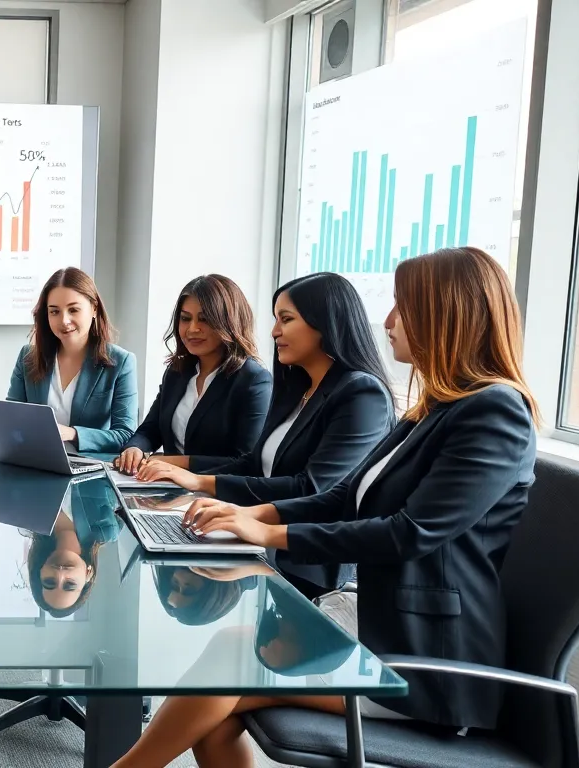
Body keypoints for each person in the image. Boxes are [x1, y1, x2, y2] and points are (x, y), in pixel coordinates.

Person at [110, 247, 539, 768]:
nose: (388, 322)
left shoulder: (496, 410)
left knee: (228, 663)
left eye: (403, 307)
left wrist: (268, 535)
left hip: (427, 664)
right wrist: (254, 516)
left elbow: (408, 533)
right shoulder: (432, 409)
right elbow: (342, 496)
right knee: (221, 694)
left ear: (445, 314)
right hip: (382, 621)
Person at [134, 273, 395, 598]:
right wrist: (192, 491)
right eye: (275, 319)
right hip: (258, 546)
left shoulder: (360, 393)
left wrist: (200, 482)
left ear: (325, 322)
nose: (274, 332)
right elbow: (253, 464)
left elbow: (312, 488)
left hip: (307, 568)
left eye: (286, 319)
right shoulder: (297, 388)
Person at [115, 275, 270, 473]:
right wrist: (135, 449)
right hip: (165, 488)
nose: (192, 329)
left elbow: (245, 462)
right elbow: (150, 429)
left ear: (229, 323)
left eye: (204, 319)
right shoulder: (177, 372)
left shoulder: (254, 380)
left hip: (217, 496)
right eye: (185, 318)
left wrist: (171, 464)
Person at [7, 267, 137, 453]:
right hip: (35, 463)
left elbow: (125, 435)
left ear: (94, 309)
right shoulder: (28, 357)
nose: (64, 321)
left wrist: (72, 434)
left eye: (73, 310)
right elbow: (11, 419)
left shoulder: (121, 362)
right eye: (54, 312)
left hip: (89, 468)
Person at [25, 480, 121, 616]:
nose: (60, 573)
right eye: (70, 585)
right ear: (89, 574)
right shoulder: (105, 529)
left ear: (40, 570)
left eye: (49, 581)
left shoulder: (29, 515)